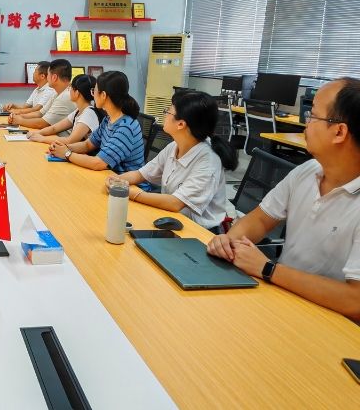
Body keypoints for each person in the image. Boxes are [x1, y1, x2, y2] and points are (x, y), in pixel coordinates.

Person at [207, 78, 360, 320]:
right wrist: (229, 242)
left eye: (312, 115)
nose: (306, 123)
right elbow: (260, 220)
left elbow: (355, 301)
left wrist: (268, 269)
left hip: (328, 320)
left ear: (339, 132)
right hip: (283, 296)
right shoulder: (308, 170)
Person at [112, 90, 238, 233]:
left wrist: (130, 193)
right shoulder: (174, 146)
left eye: (168, 112)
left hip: (200, 232)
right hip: (171, 219)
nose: (164, 115)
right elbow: (141, 174)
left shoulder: (208, 161)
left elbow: (175, 203)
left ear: (181, 124)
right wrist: (117, 181)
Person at [48, 71, 145, 175]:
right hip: (109, 176)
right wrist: (63, 148)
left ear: (103, 95)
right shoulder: (108, 119)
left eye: (94, 91)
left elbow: (98, 163)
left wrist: (67, 154)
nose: (93, 95)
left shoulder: (125, 127)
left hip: (125, 182)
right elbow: (88, 145)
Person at [27, 74, 101, 144]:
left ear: (77, 93)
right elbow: (54, 128)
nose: (69, 90)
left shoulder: (88, 114)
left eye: (71, 88)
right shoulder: (78, 111)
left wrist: (42, 139)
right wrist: (37, 133)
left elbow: (70, 140)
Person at [9, 59, 76, 130]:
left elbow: (42, 123)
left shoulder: (65, 96)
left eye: (48, 74)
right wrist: (19, 117)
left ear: (54, 77)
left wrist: (20, 120)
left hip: (58, 136)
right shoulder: (57, 93)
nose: (47, 78)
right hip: (52, 134)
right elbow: (40, 113)